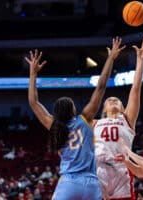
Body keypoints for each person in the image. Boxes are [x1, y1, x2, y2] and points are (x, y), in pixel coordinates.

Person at [26, 37, 125, 200]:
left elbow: (33, 102)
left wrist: (33, 73)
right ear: (73, 110)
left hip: (68, 183)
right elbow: (100, 87)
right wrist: (110, 58)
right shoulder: (84, 119)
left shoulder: (54, 125)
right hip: (91, 183)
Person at [93, 38, 143, 200]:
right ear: (103, 108)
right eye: (109, 100)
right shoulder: (94, 123)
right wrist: (110, 58)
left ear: (122, 107)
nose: (113, 100)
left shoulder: (127, 119)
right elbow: (100, 87)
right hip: (99, 170)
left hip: (122, 170)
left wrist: (140, 61)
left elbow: (135, 89)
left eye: (117, 100)